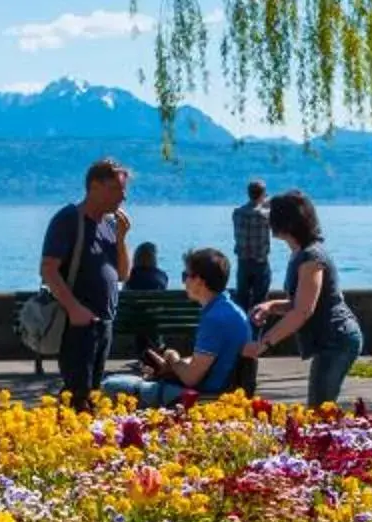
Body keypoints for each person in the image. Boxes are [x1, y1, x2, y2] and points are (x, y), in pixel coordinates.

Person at [249, 189, 364, 408]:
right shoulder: (300, 255)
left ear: (286, 222)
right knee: (319, 408)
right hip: (328, 341)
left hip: (337, 340)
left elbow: (303, 311)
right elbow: (299, 303)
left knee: (319, 410)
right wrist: (270, 306)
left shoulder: (312, 258)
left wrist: (263, 344)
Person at [103, 247, 250, 409]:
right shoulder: (229, 310)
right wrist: (174, 365)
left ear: (199, 281)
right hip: (220, 387)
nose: (184, 282)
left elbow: (190, 378)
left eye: (185, 276)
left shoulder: (215, 319)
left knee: (109, 386)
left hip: (203, 396)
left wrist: (173, 358)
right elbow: (208, 362)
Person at [39, 157, 131, 411]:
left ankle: (86, 443)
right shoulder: (69, 219)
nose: (122, 197)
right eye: (115, 189)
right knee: (77, 394)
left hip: (105, 321)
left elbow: (122, 274)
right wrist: (74, 309)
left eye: (124, 191)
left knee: (93, 393)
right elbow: (48, 269)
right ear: (94, 187)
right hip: (78, 324)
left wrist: (122, 239)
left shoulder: (111, 225)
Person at [230, 178, 274, 313]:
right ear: (262, 194)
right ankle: (256, 332)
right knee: (259, 304)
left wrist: (262, 201)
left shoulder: (237, 213)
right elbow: (267, 209)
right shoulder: (265, 215)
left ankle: (243, 331)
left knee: (242, 302)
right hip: (260, 263)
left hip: (243, 263)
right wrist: (265, 201)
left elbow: (254, 208)